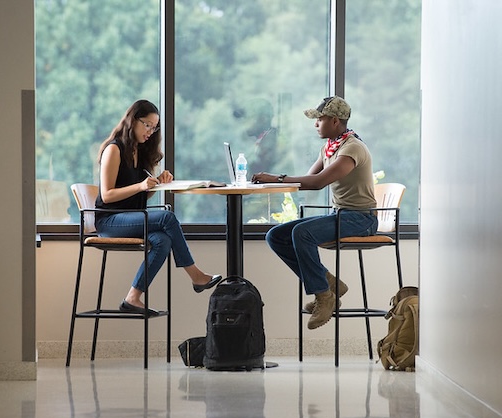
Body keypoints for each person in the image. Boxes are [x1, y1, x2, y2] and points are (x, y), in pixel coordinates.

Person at [251, 96, 378, 330]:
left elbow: (318, 182)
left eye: (320, 119)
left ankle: (324, 295)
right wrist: (271, 181)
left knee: (301, 233)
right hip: (341, 215)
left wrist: (275, 178)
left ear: (336, 121)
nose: (315, 124)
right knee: (275, 236)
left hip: (362, 219)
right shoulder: (329, 147)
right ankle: (329, 283)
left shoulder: (352, 148)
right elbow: (307, 180)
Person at [95, 99, 221, 315]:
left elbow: (142, 192)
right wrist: (140, 185)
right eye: (147, 125)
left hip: (132, 217)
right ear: (133, 121)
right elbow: (107, 196)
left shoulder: (141, 151)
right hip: (109, 221)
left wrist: (156, 183)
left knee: (162, 240)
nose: (151, 132)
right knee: (167, 217)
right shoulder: (114, 149)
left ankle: (132, 297)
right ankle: (195, 275)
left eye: (154, 128)